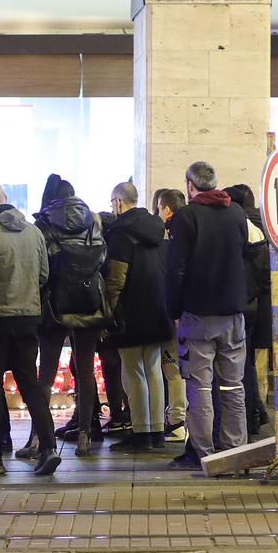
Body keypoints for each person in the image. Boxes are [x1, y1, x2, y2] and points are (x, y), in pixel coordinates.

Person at [0, 181, 60, 476]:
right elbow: (43, 275)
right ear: (5, 199)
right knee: (30, 384)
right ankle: (48, 448)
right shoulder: (34, 232)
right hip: (28, 317)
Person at [166, 160, 250, 470]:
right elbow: (243, 253)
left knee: (200, 387)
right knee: (233, 386)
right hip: (233, 313)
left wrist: (174, 309)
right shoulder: (236, 213)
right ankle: (235, 449)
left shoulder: (186, 217)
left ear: (190, 185)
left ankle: (204, 454)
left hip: (198, 313)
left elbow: (176, 269)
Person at [35, 174, 110, 456]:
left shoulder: (43, 223)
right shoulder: (93, 221)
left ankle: (39, 438)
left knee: (46, 374)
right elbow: (102, 259)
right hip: (89, 300)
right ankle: (84, 437)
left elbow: (41, 268)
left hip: (54, 304)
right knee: (86, 370)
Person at [103, 181, 173, 453]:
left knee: (133, 371)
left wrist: (108, 313)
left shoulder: (120, 232)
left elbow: (116, 279)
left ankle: (142, 432)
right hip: (157, 308)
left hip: (131, 311)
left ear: (119, 202)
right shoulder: (158, 228)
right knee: (153, 369)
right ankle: (156, 431)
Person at [227, 183, 274, 438]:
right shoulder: (261, 229)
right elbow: (266, 276)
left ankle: (251, 416)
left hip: (241, 304)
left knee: (242, 366)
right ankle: (257, 411)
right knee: (250, 364)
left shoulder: (238, 228)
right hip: (257, 304)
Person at [153, 187, 190, 442]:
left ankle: (177, 420)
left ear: (166, 209)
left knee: (172, 368)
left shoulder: (170, 238)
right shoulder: (193, 231)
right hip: (194, 314)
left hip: (175, 316)